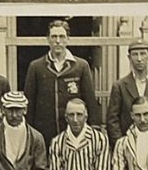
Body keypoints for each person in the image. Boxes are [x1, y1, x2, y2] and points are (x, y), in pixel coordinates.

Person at [22, 20, 100, 150]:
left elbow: (90, 101)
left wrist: (94, 130)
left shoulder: (81, 66)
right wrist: (30, 133)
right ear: (48, 39)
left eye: (62, 36)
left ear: (68, 39)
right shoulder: (36, 66)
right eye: (54, 37)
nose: (58, 41)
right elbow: (29, 103)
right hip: (44, 133)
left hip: (74, 133)